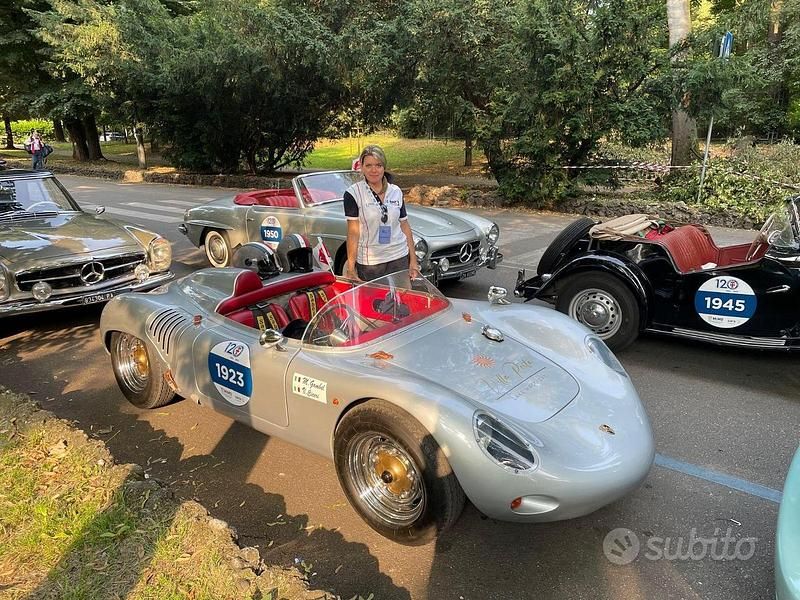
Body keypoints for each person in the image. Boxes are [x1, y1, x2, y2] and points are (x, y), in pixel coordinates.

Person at [343, 145, 419, 281]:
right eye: (368, 165)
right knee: (375, 301)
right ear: (362, 167)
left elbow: (404, 225)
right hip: (371, 263)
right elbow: (353, 232)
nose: (374, 170)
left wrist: (413, 260)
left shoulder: (395, 191)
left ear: (384, 167)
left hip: (399, 257)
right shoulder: (353, 193)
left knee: (401, 301)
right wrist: (350, 266)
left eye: (378, 165)